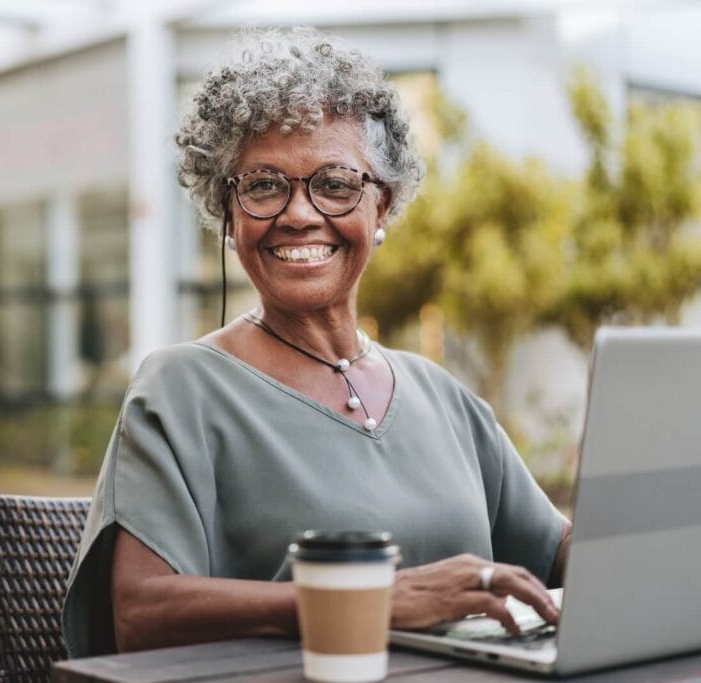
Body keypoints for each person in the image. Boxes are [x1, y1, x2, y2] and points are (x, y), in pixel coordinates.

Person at [61, 28, 571, 658]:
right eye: (265, 185)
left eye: (334, 183)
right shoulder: (181, 389)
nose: (299, 213)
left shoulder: (442, 396)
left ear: (380, 207)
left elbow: (562, 557)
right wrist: (376, 600)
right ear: (228, 212)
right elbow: (140, 612)